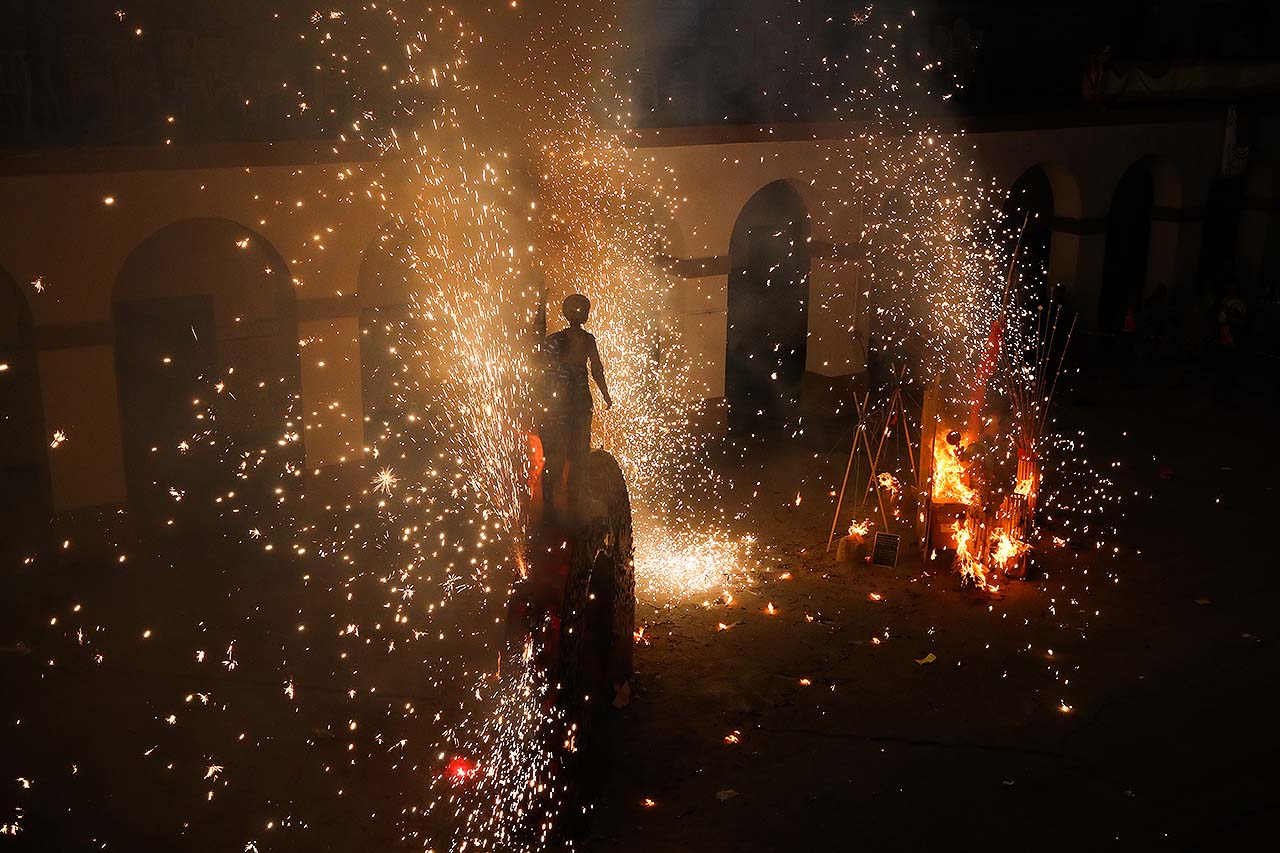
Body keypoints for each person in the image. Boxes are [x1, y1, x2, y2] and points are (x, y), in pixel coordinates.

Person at [541, 294, 612, 523]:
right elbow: (597, 371)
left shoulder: (556, 341)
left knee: (568, 455)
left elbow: (542, 373)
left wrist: (605, 394)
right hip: (572, 403)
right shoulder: (577, 340)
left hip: (569, 403)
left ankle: (562, 505)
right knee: (569, 455)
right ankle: (560, 505)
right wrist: (605, 394)